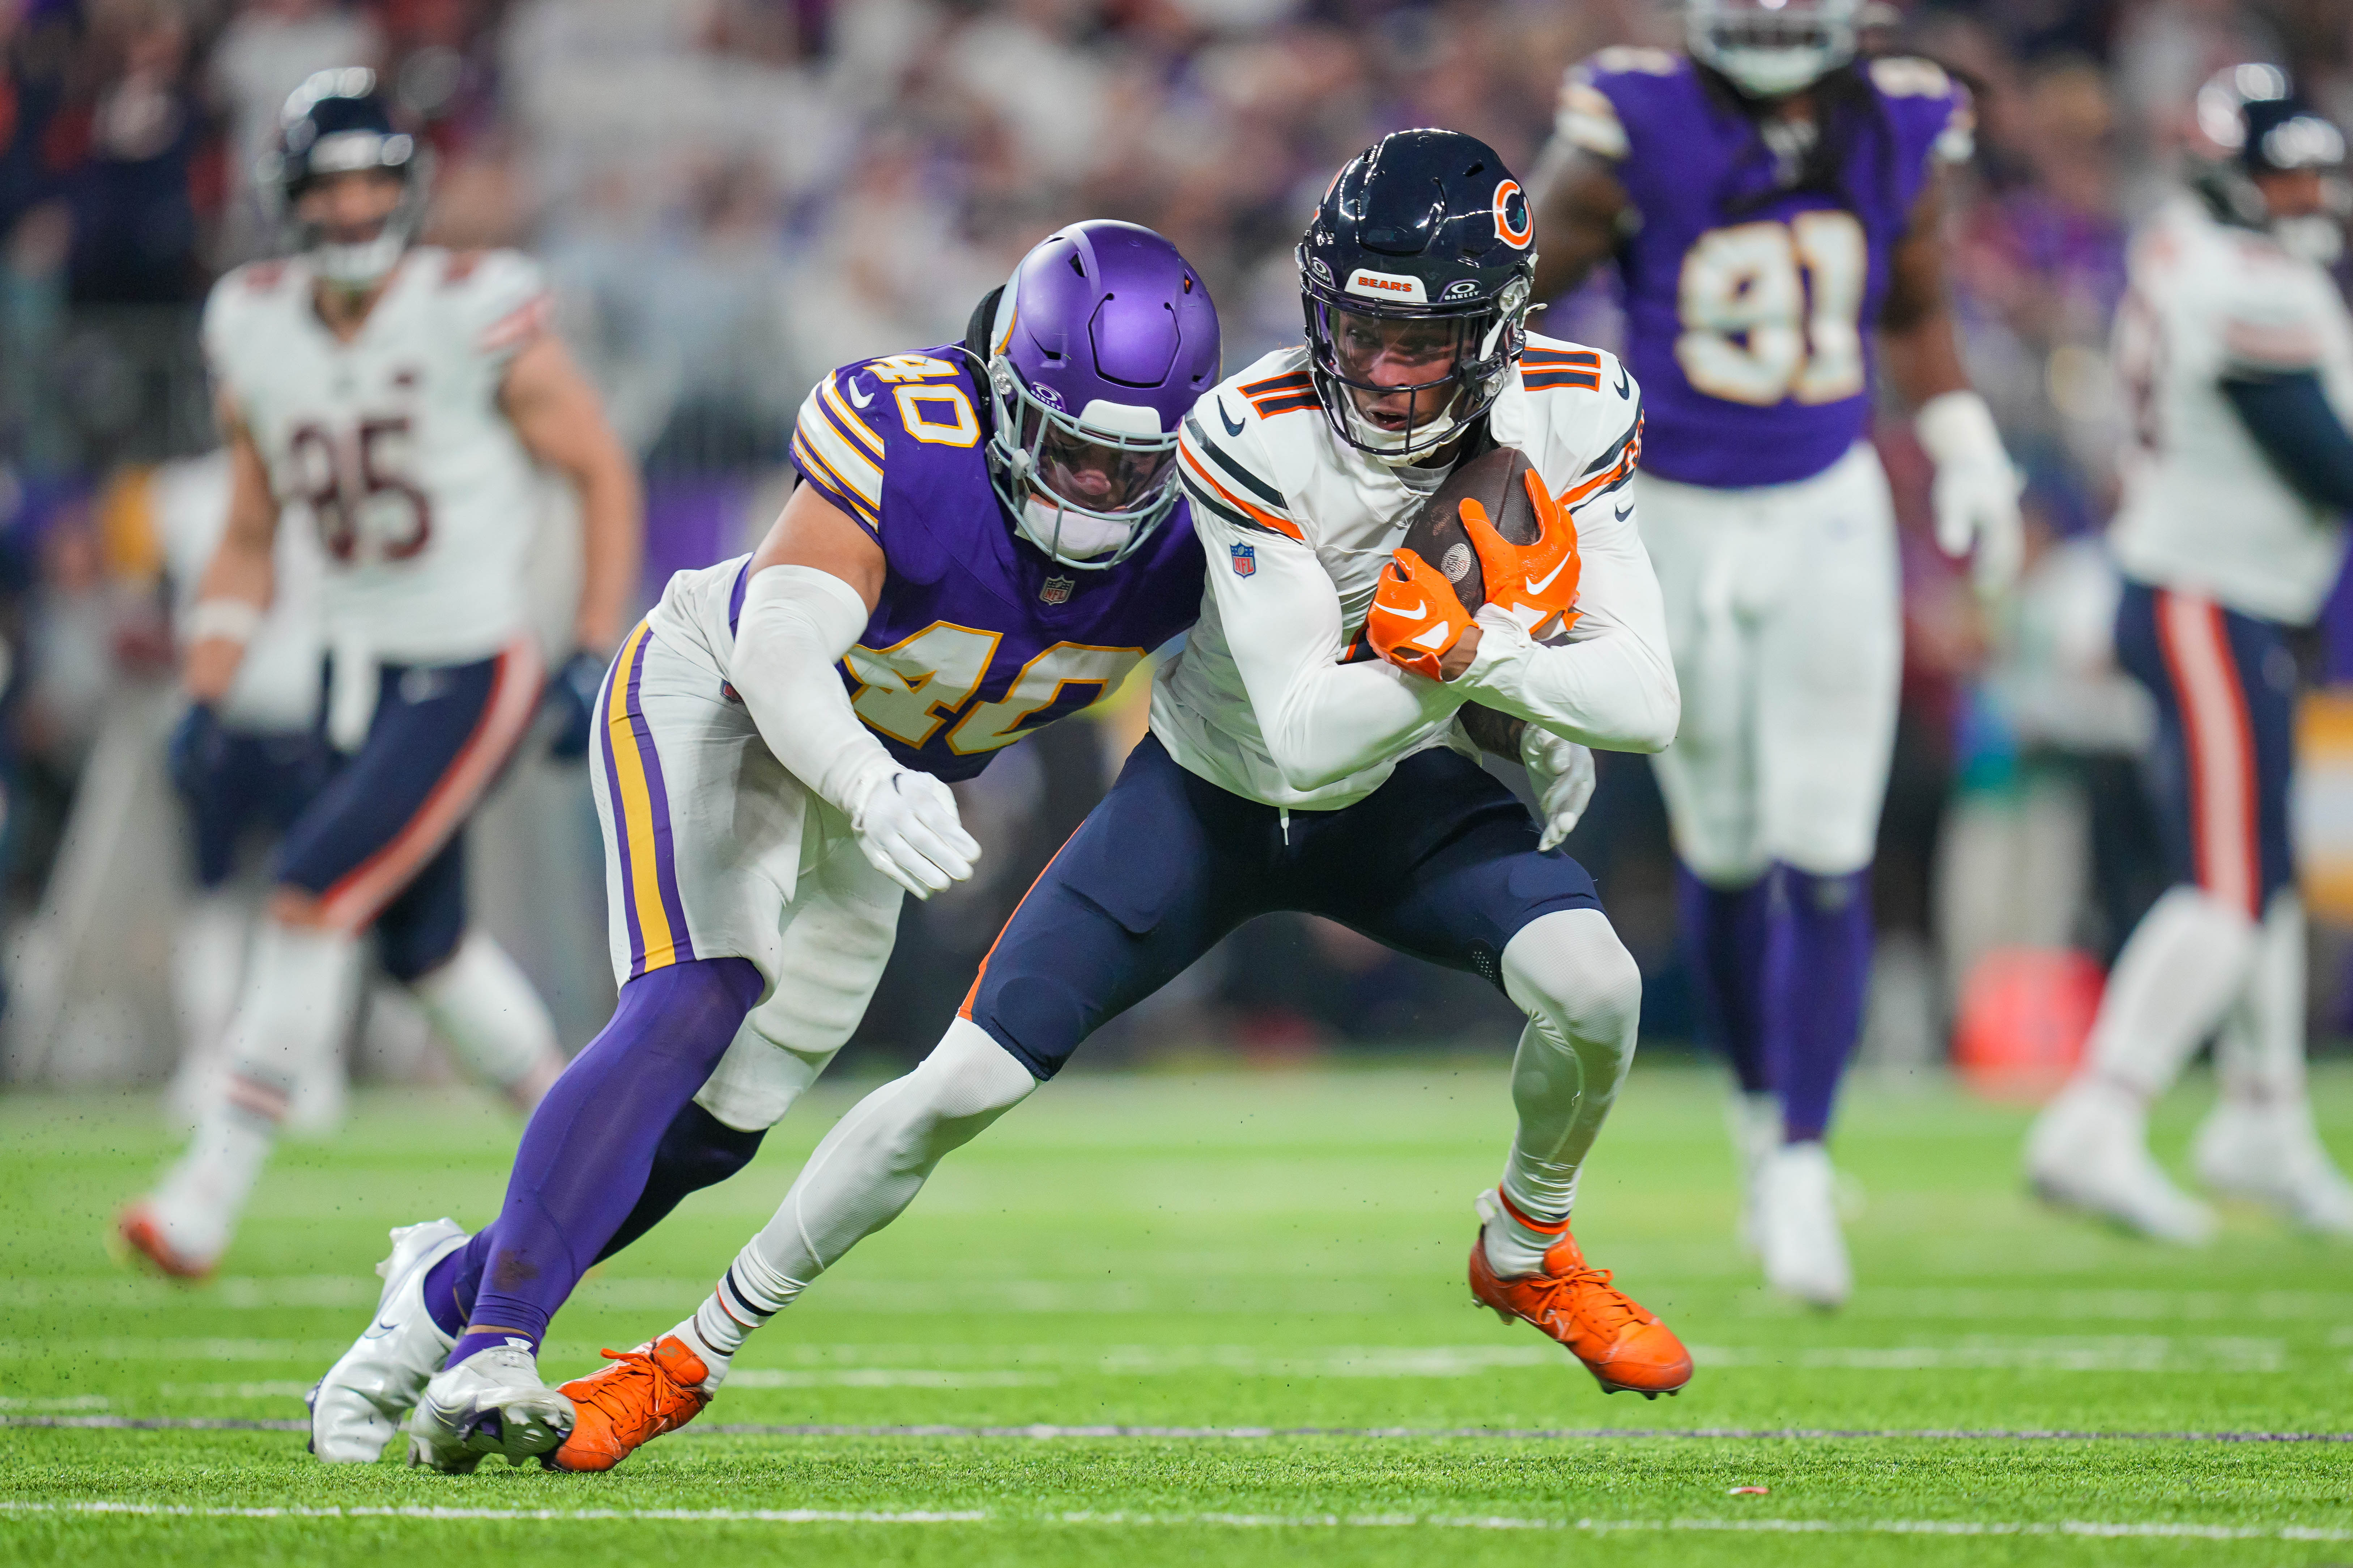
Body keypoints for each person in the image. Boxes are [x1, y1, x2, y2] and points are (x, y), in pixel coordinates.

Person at [549, 129, 1689, 1476]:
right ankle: (683, 1352)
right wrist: (1475, 661)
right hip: (1214, 792)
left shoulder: (1579, 401)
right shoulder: (1248, 428)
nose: (1379, 374)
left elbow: (1646, 701)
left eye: (1421, 343)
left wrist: (1492, 663)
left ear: (1498, 335)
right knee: (953, 1090)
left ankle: (1527, 1243)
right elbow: (1307, 739)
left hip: (1403, 789)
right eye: (1356, 332)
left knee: (1597, 987)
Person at [314, 220, 1224, 1473]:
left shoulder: (1211, 523)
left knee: (723, 1125)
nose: (1094, 494)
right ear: (1010, 392)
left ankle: (434, 1300)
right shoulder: (913, 433)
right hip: (732, 699)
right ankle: (495, 1348)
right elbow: (783, 644)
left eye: (1132, 468)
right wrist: (861, 776)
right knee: (700, 990)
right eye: (1069, 448)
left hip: (895, 780)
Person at [1526, 1, 2023, 1306]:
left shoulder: (1904, 114)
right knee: (1730, 841)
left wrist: (1962, 433)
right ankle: (1762, 1128)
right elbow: (1518, 301)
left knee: (1826, 836)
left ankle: (1803, 1157)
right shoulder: (1637, 114)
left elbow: (1912, 300)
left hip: (1824, 505)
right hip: (1671, 516)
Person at [118, 69, 642, 1280]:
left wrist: (587, 645)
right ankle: (601, 1172)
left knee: (307, 893)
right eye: (330, 188)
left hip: (470, 659)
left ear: (405, 192)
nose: (354, 211)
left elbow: (600, 468)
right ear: (289, 202)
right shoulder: (251, 322)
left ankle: (204, 1195)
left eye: (372, 185)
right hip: (351, 671)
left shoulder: (471, 305)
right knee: (428, 951)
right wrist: (209, 683)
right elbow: (251, 531)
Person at [2026, 67, 2353, 1243]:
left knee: (2253, 872)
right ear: (2232, 178)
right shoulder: (2244, 280)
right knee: (2224, 881)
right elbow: (2329, 463)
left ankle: (2261, 1113)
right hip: (2203, 596)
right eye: (2287, 172)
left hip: (2224, 590)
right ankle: (2098, 1116)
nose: (2310, 192)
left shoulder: (2186, 247)